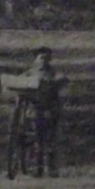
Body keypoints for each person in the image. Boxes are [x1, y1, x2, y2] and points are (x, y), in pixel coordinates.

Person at [29, 46, 63, 174]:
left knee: (51, 139)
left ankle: (52, 168)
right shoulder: (30, 73)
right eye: (41, 57)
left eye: (47, 58)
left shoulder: (53, 73)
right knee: (38, 139)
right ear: (36, 59)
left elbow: (62, 79)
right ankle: (38, 167)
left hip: (50, 109)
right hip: (35, 110)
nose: (44, 60)